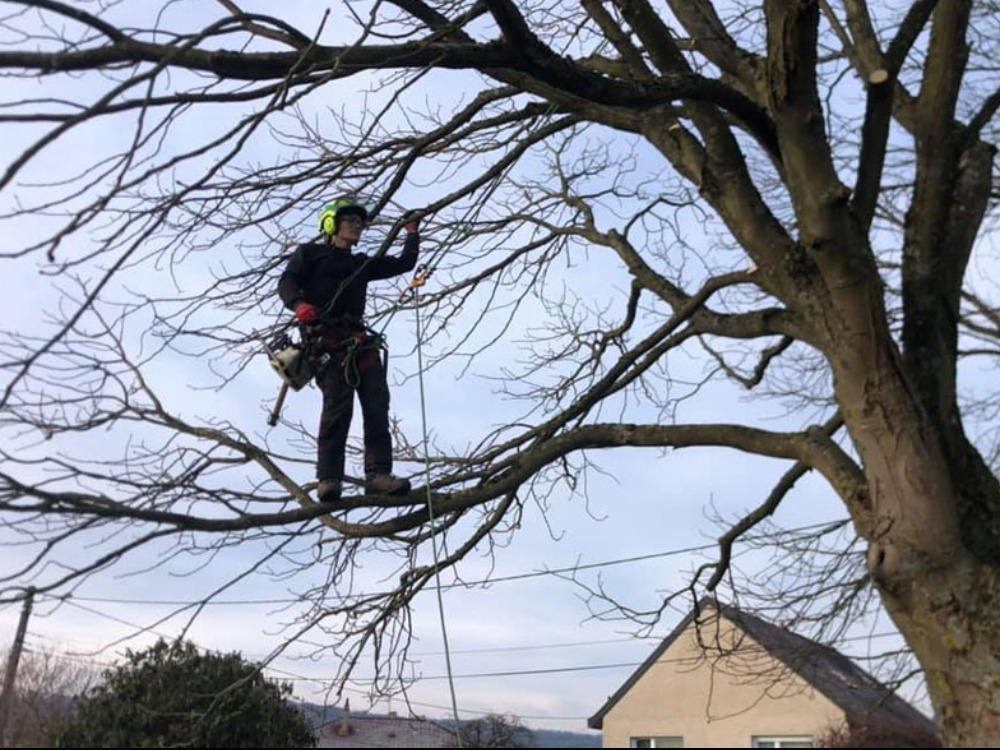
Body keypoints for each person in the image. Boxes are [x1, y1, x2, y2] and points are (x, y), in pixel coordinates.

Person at [278, 197, 419, 503]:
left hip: (359, 341)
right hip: (325, 340)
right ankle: (329, 478)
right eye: (350, 221)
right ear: (331, 224)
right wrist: (298, 304)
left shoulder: (361, 264)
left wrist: (411, 233)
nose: (357, 226)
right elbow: (287, 281)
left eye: (359, 222)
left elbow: (404, 263)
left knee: (377, 404)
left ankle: (378, 474)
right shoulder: (311, 254)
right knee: (338, 406)